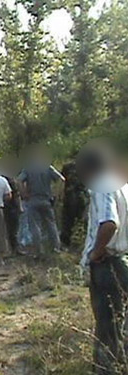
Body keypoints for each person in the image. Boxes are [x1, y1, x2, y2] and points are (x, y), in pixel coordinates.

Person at [76, 145, 128, 375]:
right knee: (121, 325)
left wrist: (95, 253)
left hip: (108, 266)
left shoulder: (101, 186)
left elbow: (109, 223)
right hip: (123, 261)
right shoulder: (123, 186)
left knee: (107, 328)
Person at [18, 146, 65, 255]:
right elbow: (62, 179)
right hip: (46, 200)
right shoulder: (48, 167)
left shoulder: (28, 169)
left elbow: (19, 181)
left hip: (33, 200)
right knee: (51, 225)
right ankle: (56, 248)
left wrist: (24, 194)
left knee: (35, 226)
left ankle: (38, 251)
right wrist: (57, 194)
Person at [60, 160, 88, 247]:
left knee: (67, 221)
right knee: (83, 221)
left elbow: (62, 181)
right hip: (81, 196)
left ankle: (65, 242)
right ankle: (84, 241)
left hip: (70, 197)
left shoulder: (67, 166)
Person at [2, 157, 24, 255]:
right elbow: (15, 195)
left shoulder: (2, 178)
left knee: (9, 229)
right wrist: (20, 207)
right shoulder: (9, 180)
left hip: (5, 207)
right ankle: (14, 250)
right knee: (13, 230)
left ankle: (10, 249)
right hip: (11, 207)